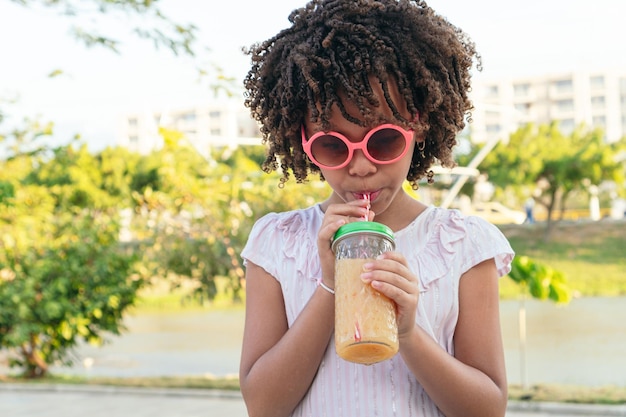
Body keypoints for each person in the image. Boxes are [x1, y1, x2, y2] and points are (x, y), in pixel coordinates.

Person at [239, 1, 515, 416]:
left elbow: (487, 408)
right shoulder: (277, 242)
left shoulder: (463, 244)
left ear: (418, 123)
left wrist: (407, 331)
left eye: (383, 140)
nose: (362, 167)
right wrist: (330, 285)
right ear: (305, 145)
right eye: (333, 146)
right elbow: (263, 405)